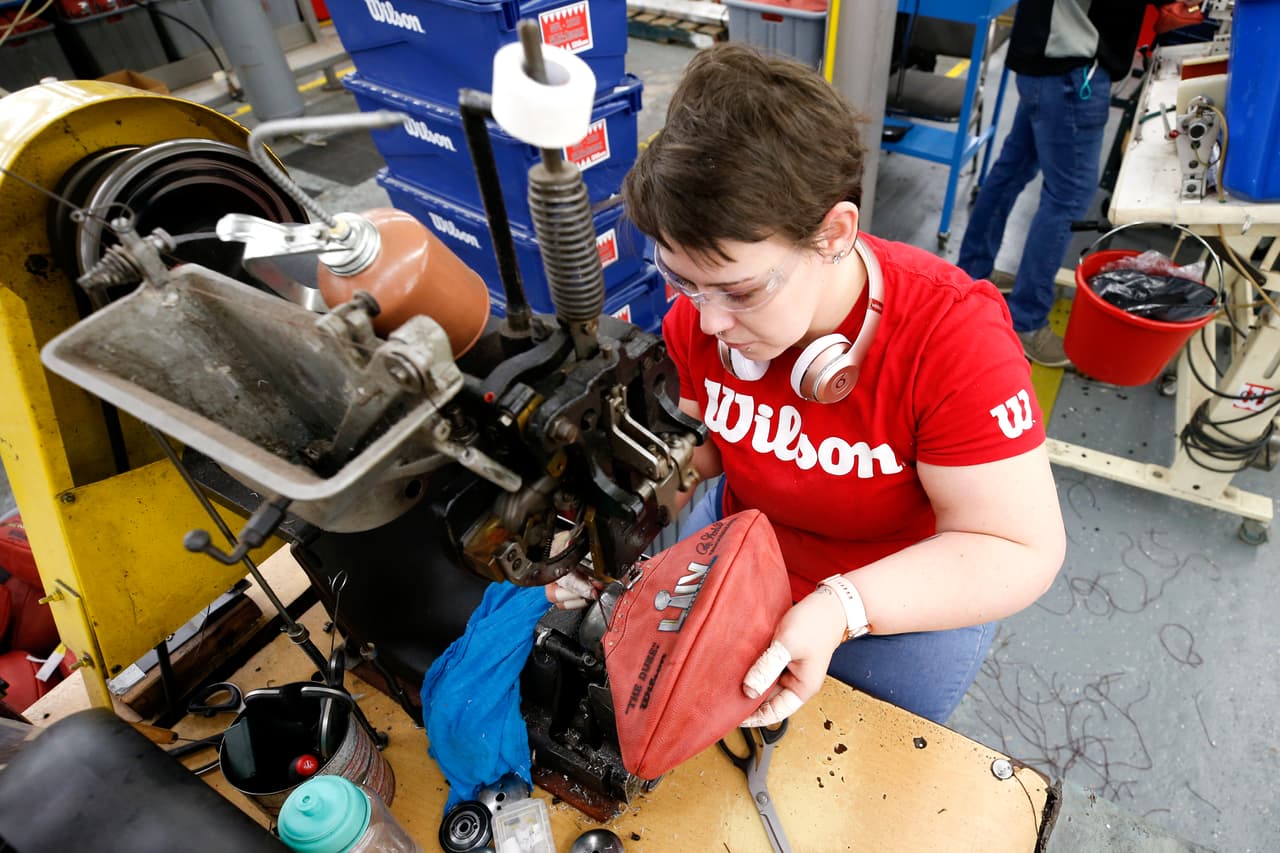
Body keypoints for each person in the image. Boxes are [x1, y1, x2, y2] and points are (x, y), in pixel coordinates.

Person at [616, 43, 1066, 728]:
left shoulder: (952, 339)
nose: (707, 321)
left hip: (898, 599)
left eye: (738, 291)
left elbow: (1017, 546)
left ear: (833, 232)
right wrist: (609, 515)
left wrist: (840, 606)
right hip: (748, 549)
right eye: (684, 283)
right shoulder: (703, 314)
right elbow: (698, 449)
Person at [957, 0, 1167, 367]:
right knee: (1067, 197)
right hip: (1072, 66)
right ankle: (1026, 320)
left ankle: (972, 273)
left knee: (1011, 172)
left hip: (1046, 56)